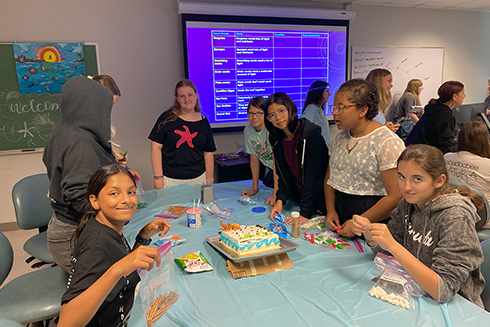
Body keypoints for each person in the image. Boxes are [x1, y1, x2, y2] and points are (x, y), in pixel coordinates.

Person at [352, 144, 485, 308]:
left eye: (417, 179)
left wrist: (393, 245)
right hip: (416, 291)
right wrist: (369, 233)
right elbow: (386, 251)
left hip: (457, 306)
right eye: (401, 176)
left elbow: (443, 290)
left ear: (439, 181)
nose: (406, 187)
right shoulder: (408, 203)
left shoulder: (456, 216)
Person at [58, 164, 171, 327]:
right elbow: (66, 323)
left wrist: (143, 237)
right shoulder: (96, 247)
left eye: (131, 192)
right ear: (94, 201)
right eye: (114, 193)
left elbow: (124, 267)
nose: (126, 200)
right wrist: (117, 270)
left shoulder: (106, 227)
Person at [43, 76, 118, 273]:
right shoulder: (80, 143)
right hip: (73, 233)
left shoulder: (64, 130)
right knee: (105, 287)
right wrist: (115, 213)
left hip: (64, 226)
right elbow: (78, 194)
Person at [325, 79, 405, 237]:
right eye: (334, 107)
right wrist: (330, 210)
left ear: (362, 110)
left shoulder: (386, 142)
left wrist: (359, 223)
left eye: (341, 107)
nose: (334, 112)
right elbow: (330, 178)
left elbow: (396, 195)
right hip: (341, 220)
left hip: (371, 222)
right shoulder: (340, 138)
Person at [265, 92, 328, 225]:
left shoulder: (310, 135)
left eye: (281, 111)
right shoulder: (276, 139)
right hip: (300, 201)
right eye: (272, 115)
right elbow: (284, 175)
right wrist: (279, 201)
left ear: (290, 108)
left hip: (320, 202)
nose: (278, 117)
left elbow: (314, 178)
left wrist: (304, 213)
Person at [149, 79, 216, 188]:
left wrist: (209, 180)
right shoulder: (166, 118)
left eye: (190, 95)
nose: (186, 99)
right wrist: (158, 178)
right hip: (170, 179)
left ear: (196, 95)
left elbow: (208, 152)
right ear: (177, 99)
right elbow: (155, 147)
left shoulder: (203, 122)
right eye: (182, 96)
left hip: (198, 179)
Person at [444, 121, 490, 225]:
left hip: (452, 214)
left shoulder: (446, 158)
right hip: (481, 220)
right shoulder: (487, 165)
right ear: (485, 140)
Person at [405, 81, 465, 154]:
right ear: (454, 97)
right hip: (426, 156)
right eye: (462, 93)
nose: (464, 96)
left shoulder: (433, 110)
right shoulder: (445, 115)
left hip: (415, 151)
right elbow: (443, 144)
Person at [241, 97, 278, 206]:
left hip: (284, 171)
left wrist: (276, 193)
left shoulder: (271, 130)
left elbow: (278, 163)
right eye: (251, 113)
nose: (254, 117)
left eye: (259, 113)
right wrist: (254, 188)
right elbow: (254, 159)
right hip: (271, 170)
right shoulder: (248, 130)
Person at [301, 80, 332, 149]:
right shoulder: (311, 109)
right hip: (317, 150)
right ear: (319, 92)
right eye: (327, 91)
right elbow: (304, 129)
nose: (329, 94)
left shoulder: (319, 109)